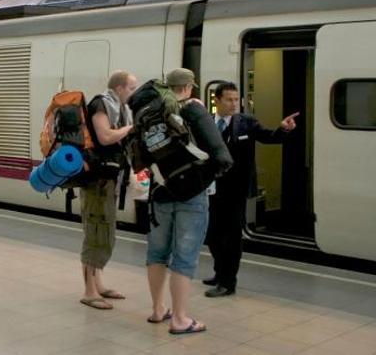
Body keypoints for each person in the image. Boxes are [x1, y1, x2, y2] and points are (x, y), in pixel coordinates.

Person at [145, 68, 232, 335]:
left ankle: (159, 309)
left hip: (159, 192)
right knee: (184, 258)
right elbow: (223, 157)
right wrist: (203, 178)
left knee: (157, 253)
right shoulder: (194, 110)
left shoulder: (150, 113)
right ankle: (180, 319)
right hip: (192, 196)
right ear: (189, 87)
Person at [204, 82, 298, 297]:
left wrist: (283, 129)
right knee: (212, 234)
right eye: (229, 99)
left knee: (232, 236)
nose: (234, 104)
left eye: (236, 99)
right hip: (211, 188)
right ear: (216, 100)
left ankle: (228, 283)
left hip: (236, 190)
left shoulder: (246, 123)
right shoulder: (207, 122)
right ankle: (219, 272)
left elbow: (269, 137)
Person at [79, 70, 138, 310]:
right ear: (120, 88)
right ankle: (89, 291)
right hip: (97, 181)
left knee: (104, 231)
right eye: (132, 88)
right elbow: (104, 137)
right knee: (95, 232)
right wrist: (131, 129)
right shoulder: (101, 104)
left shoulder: (119, 108)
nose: (134, 92)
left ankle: (99, 284)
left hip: (109, 180)